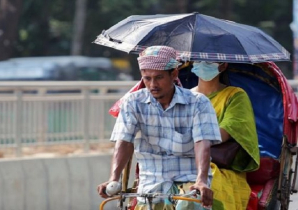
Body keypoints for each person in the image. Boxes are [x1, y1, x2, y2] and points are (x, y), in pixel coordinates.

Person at [97, 46, 222, 210]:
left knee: (187, 206)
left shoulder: (198, 102)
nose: (152, 84)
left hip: (189, 180)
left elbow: (202, 143)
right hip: (150, 183)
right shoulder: (132, 102)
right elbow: (124, 141)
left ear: (174, 74)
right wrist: (114, 179)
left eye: (159, 77)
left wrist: (201, 180)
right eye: (147, 78)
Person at [190, 61, 260, 209]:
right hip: (181, 163)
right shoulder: (184, 97)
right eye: (199, 59)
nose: (203, 64)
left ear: (223, 65)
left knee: (206, 188)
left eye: (209, 61)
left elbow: (221, 134)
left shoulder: (235, 96)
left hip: (219, 168)